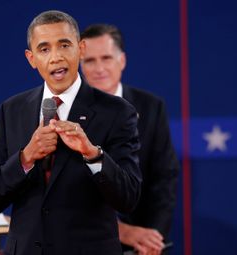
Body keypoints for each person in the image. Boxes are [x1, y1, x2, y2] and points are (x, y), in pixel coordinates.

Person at [0, 11, 142, 255]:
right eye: (44, 49)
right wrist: (26, 158)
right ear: (31, 58)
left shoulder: (116, 112)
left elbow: (128, 197)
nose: (55, 57)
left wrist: (93, 154)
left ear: (81, 48)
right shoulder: (12, 109)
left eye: (64, 45)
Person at [80, 24, 179, 255]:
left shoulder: (151, 106)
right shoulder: (66, 113)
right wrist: (122, 231)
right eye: (90, 61)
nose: (99, 68)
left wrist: (154, 239)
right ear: (80, 65)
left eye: (106, 58)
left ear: (122, 60)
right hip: (85, 241)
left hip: (144, 242)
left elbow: (164, 178)